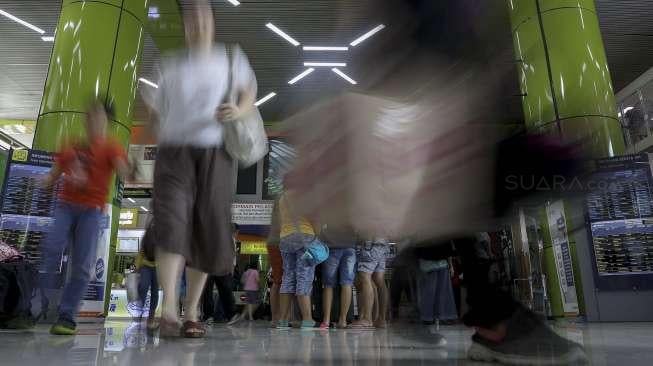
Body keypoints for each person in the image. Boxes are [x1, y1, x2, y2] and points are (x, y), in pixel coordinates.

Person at [142, 0, 258, 338]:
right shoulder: (168, 64)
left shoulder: (232, 57)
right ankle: (168, 309)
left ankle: (192, 311)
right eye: (190, 16)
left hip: (215, 153)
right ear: (183, 23)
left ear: (213, 20)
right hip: (173, 153)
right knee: (172, 220)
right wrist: (154, 119)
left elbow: (248, 91)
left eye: (203, 15)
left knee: (206, 228)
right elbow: (155, 115)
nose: (197, 22)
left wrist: (238, 109)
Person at [41, 100, 133, 335]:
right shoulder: (71, 145)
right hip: (65, 207)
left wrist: (129, 168)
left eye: (98, 116)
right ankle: (35, 307)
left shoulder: (112, 147)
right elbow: (53, 175)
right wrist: (45, 181)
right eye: (89, 115)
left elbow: (124, 170)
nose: (93, 119)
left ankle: (66, 316)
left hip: (91, 211)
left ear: (106, 121)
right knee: (51, 249)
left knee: (82, 266)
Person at [277, 191, 318, 330]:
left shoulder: (283, 197)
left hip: (285, 237)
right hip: (304, 237)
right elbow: (315, 218)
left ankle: (282, 320)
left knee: (288, 277)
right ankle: (307, 319)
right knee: (304, 277)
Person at [319, 224, 357, 330]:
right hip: (350, 246)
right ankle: (343, 320)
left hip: (332, 246)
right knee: (347, 283)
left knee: (328, 285)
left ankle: (326, 321)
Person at [349, 239, 390, 330]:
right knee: (379, 280)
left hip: (369, 243)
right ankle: (382, 319)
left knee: (365, 278)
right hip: (383, 243)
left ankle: (367, 319)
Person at [266, 199, 283, 328]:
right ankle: (279, 317)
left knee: (277, 281)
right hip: (281, 242)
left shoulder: (278, 200)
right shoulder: (287, 199)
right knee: (281, 281)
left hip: (273, 241)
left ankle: (275, 317)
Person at [136, 246, 159, 330]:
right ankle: (138, 316)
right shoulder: (150, 235)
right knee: (143, 287)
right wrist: (137, 266)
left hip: (158, 267)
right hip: (145, 265)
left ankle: (151, 319)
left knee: (155, 292)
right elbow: (141, 251)